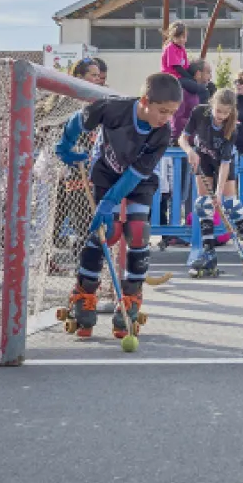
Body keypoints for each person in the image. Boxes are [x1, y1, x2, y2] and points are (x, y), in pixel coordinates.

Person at [55, 73, 180, 338]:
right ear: (145, 101)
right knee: (105, 232)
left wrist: (111, 200)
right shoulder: (114, 107)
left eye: (171, 113)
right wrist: (65, 145)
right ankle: (84, 293)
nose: (166, 118)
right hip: (105, 171)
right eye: (162, 111)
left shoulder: (163, 131)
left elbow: (135, 174)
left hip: (138, 179)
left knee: (137, 231)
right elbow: (80, 120)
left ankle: (131, 296)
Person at [180, 89, 243, 277]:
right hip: (203, 159)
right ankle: (209, 252)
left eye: (225, 113)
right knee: (203, 203)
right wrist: (189, 151)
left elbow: (225, 164)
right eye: (218, 111)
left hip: (223, 162)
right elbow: (183, 138)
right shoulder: (199, 113)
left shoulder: (232, 126)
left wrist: (218, 193)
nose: (221, 116)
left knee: (230, 202)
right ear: (212, 105)